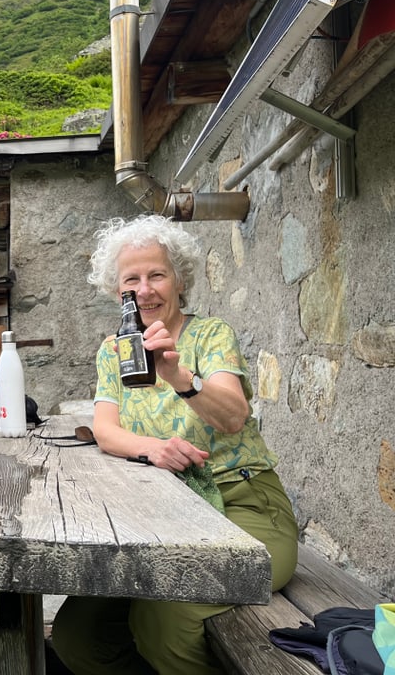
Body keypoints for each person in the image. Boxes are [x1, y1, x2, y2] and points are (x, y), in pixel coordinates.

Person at [51, 214, 298, 675]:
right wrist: (153, 448)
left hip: (242, 504)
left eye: (157, 275)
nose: (145, 290)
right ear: (116, 290)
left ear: (179, 280)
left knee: (162, 618)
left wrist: (178, 376)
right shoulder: (114, 350)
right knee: (77, 635)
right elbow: (105, 430)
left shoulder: (211, 335)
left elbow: (233, 415)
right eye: (132, 279)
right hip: (164, 514)